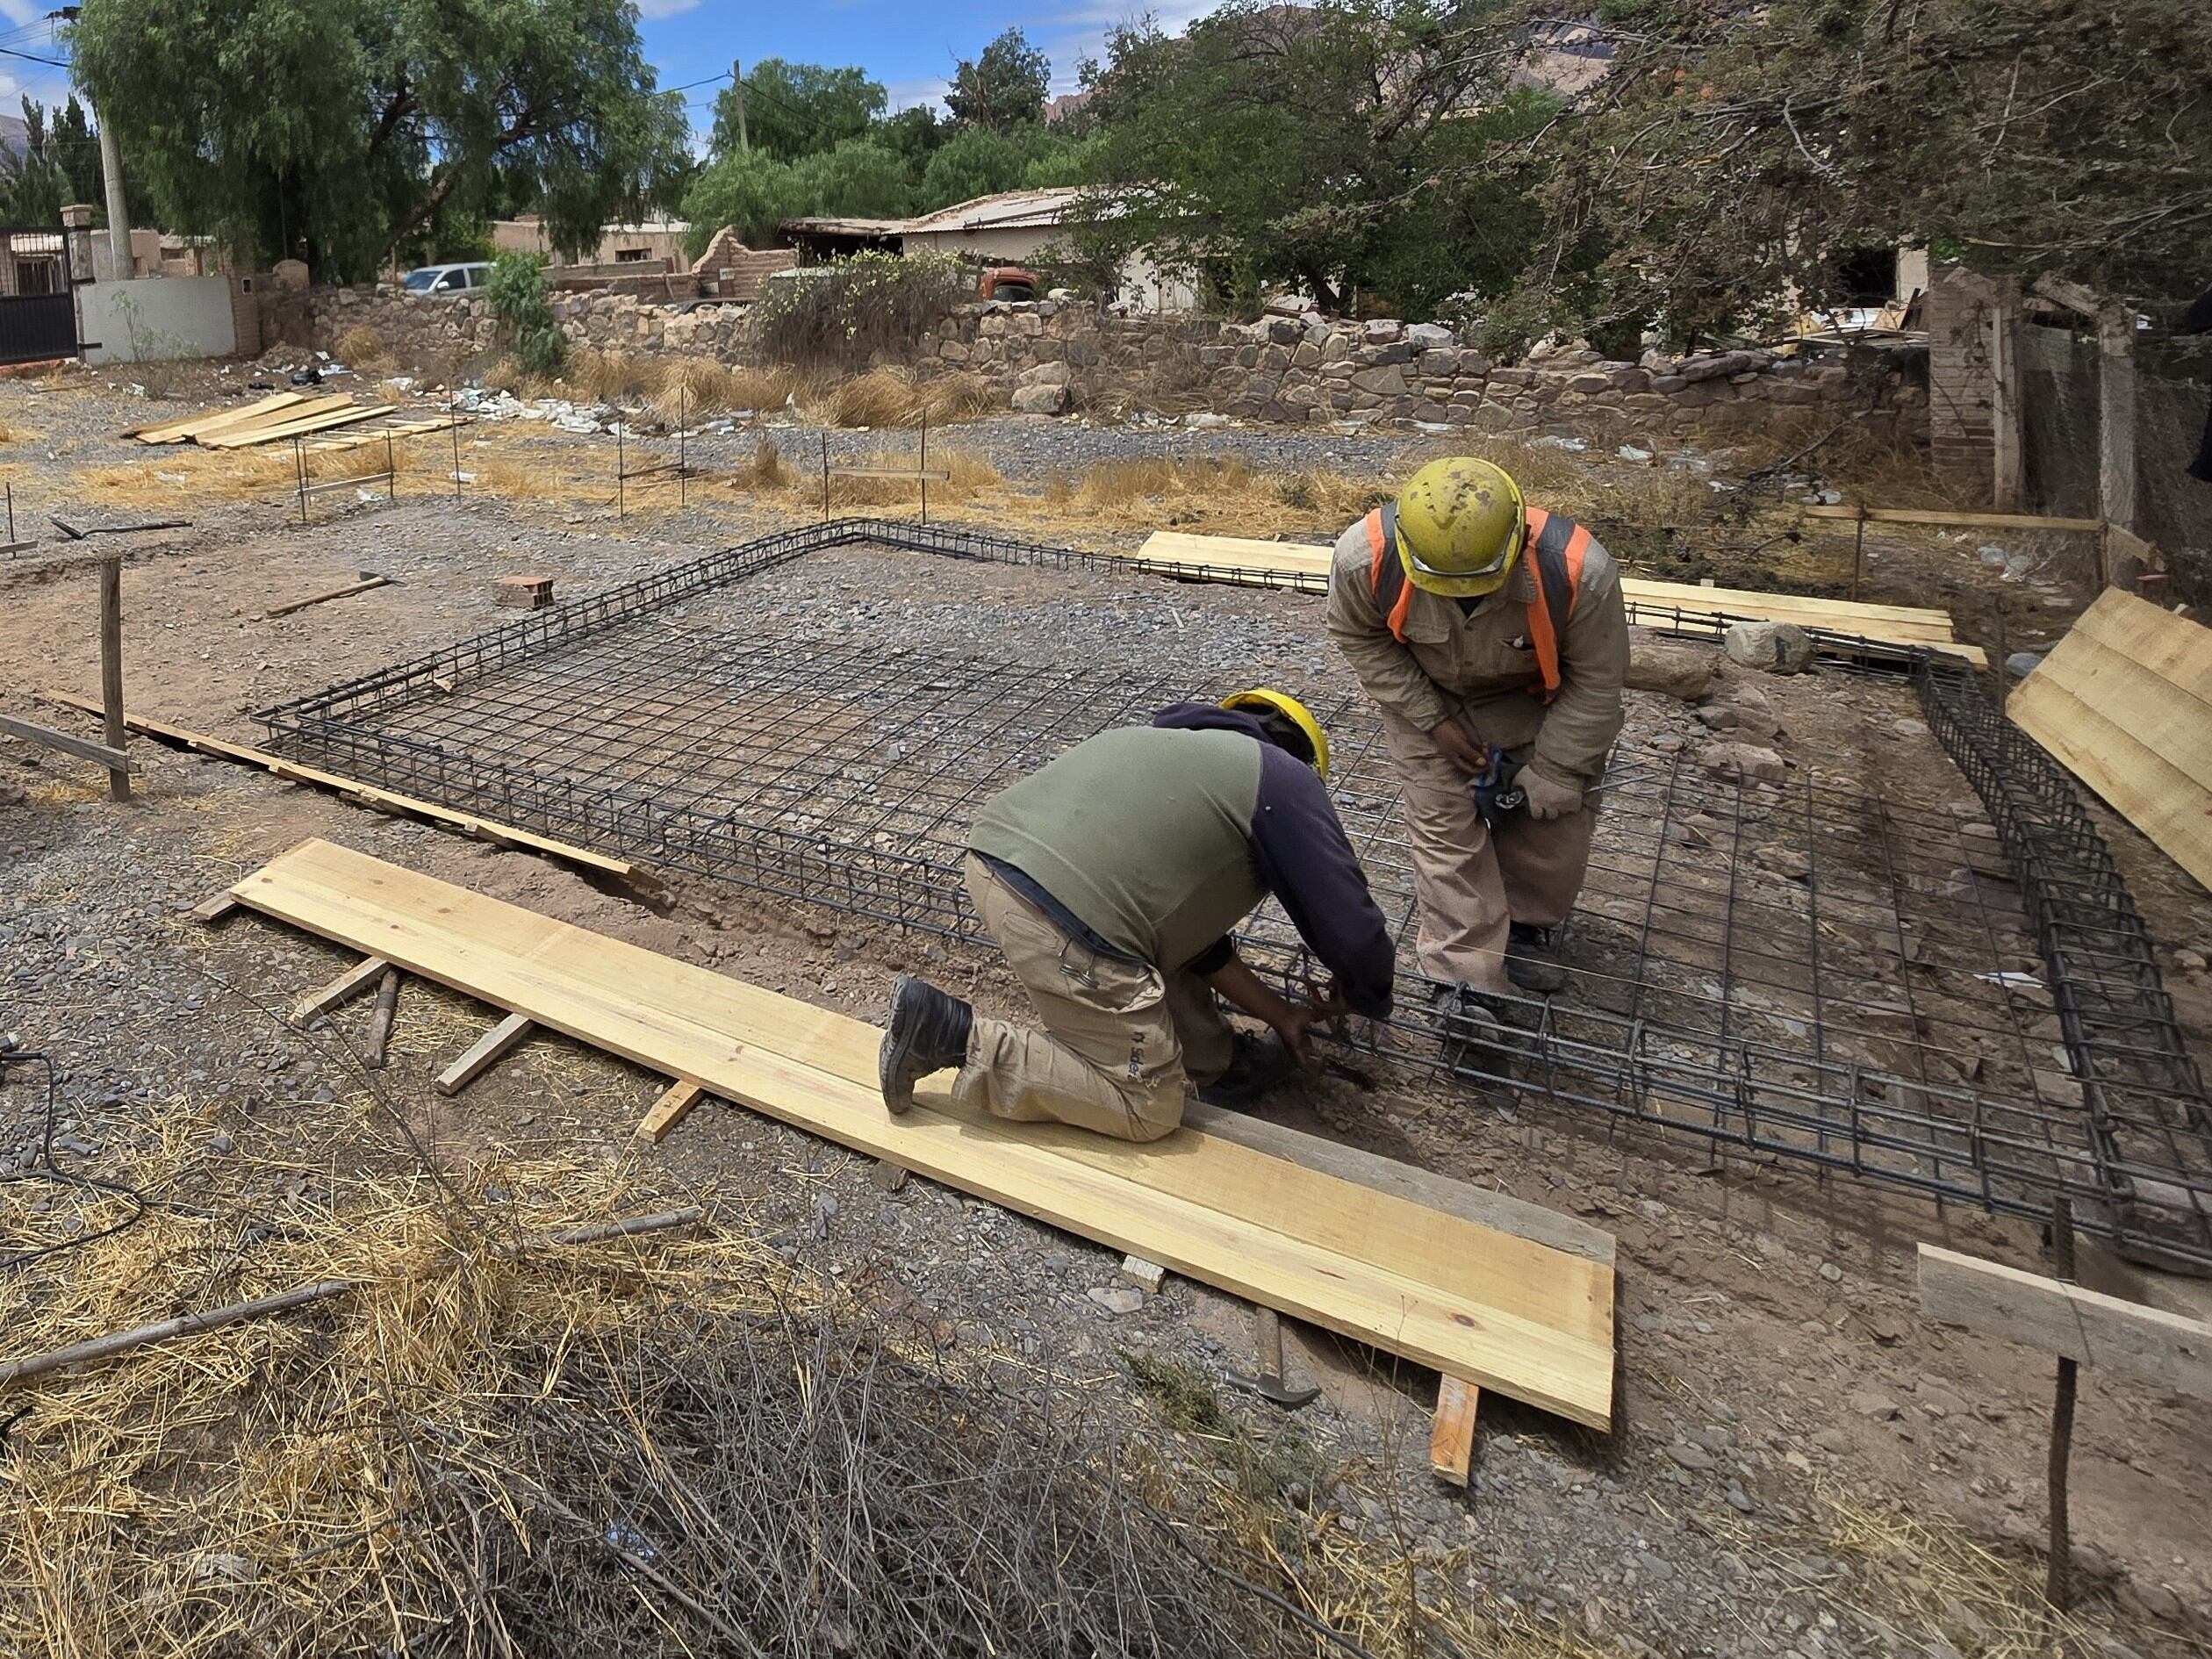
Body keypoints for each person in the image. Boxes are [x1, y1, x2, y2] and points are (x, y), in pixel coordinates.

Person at [878, 692, 1396, 1141]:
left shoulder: (1170, 752)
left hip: (993, 864)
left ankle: (1220, 1066)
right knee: (1148, 1108)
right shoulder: (1286, 779)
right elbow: (1353, 932)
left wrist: (1281, 1017)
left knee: (1164, 940)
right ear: (1303, 759)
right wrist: (1363, 993)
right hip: (1065, 919)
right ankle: (954, 1037)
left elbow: (1201, 946)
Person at [1325, 457, 1627, 1001]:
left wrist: (1559, 768)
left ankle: (1524, 929)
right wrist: (1432, 721)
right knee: (1445, 832)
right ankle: (1465, 982)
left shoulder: (1579, 570)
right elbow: (1362, 639)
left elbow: (1599, 682)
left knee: (1549, 824)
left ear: (1518, 538)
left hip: (1537, 701)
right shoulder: (1363, 559)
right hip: (1428, 695)